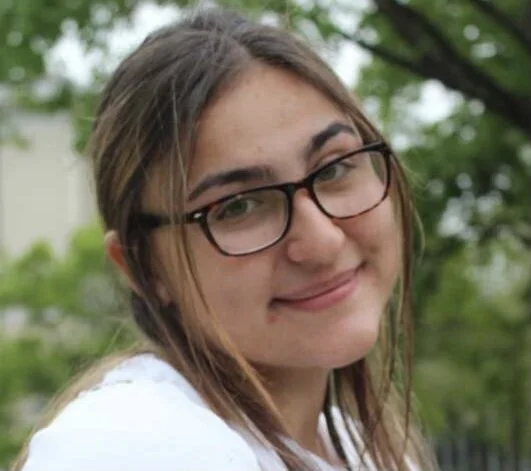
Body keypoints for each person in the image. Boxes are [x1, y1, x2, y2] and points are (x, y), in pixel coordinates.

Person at [13, 7, 438, 471]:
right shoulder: (137, 445)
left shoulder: (358, 451)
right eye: (237, 206)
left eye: (334, 168)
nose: (323, 242)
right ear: (142, 265)